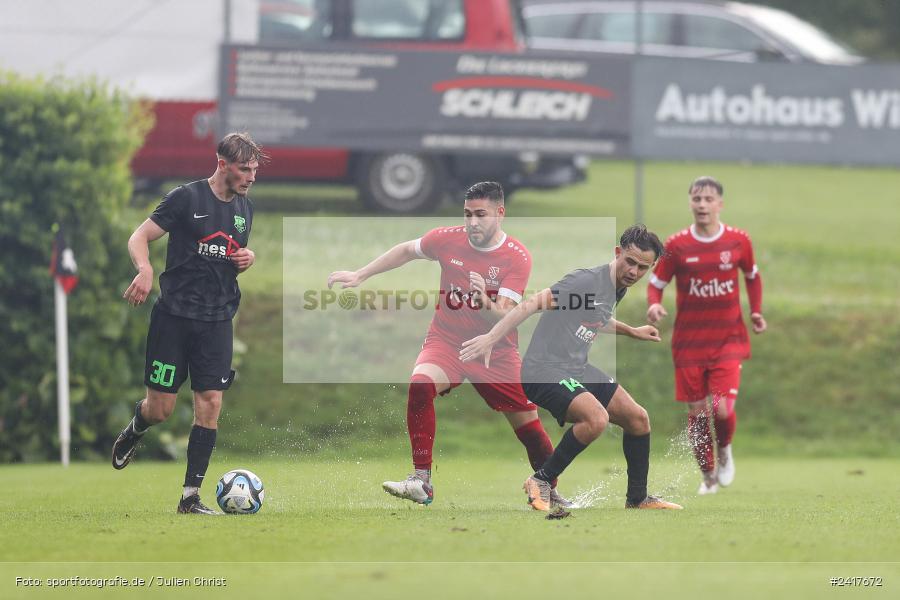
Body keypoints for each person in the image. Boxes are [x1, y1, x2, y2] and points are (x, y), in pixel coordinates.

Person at [327, 182, 569, 508]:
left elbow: (505, 317)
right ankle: (421, 480)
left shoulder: (516, 257)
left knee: (527, 423)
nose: (472, 222)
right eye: (468, 214)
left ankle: (549, 490)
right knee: (420, 385)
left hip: (494, 350)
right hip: (447, 341)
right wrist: (361, 274)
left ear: (500, 213)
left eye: (480, 215)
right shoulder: (447, 238)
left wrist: (483, 298)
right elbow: (405, 250)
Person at [461, 225, 682, 512]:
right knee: (596, 419)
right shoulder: (585, 281)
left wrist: (632, 331)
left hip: (576, 368)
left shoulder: (617, 287)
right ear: (618, 253)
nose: (633, 271)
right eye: (629, 261)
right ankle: (541, 480)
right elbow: (529, 305)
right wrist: (492, 337)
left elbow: (594, 316)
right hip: (544, 370)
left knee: (638, 419)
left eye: (642, 267)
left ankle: (637, 499)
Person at [111, 132, 263, 515]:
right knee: (160, 409)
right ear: (222, 163)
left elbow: (229, 252)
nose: (251, 177)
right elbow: (140, 236)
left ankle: (189, 497)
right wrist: (144, 270)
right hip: (174, 318)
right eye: (244, 169)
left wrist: (246, 257)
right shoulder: (186, 198)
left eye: (255, 170)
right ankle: (136, 427)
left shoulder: (245, 208)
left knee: (210, 404)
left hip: (217, 320)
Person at [646, 176, 766, 495]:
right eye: (696, 199)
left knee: (722, 409)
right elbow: (656, 284)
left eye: (708, 199)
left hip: (728, 339)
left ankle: (724, 449)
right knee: (698, 415)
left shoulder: (738, 241)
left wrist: (755, 311)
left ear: (719, 204)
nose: (702, 205)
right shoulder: (676, 245)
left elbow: (752, 277)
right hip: (688, 344)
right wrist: (654, 306)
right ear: (690, 203)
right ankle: (708, 476)